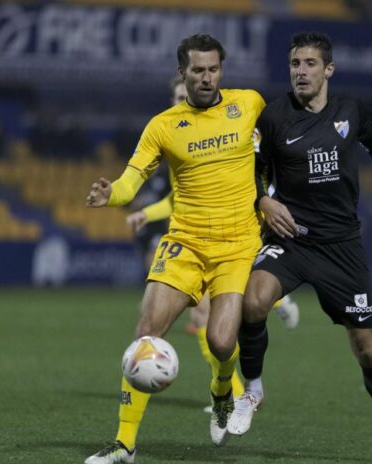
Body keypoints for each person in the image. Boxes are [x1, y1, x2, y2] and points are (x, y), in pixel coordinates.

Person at [227, 32, 372, 464]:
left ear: (329, 69)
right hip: (291, 240)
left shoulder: (351, 111)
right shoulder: (273, 119)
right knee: (252, 302)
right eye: (295, 64)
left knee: (368, 349)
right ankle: (251, 391)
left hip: (342, 247)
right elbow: (252, 171)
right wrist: (263, 199)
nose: (301, 71)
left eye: (310, 64)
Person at [85, 34, 266, 464]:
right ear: (181, 73)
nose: (206, 78)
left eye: (213, 69)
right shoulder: (163, 125)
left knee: (222, 342)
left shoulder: (250, 104)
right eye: (197, 70)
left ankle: (223, 390)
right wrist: (111, 193)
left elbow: (281, 145)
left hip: (237, 246)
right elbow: (132, 180)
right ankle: (124, 444)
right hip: (184, 242)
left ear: (222, 70)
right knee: (144, 333)